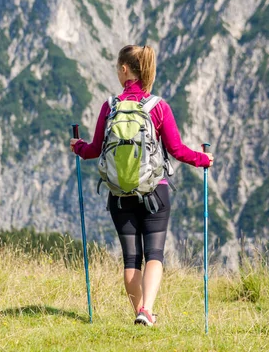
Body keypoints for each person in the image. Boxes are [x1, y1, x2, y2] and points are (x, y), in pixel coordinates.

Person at [69, 44, 214, 326]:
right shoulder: (157, 106)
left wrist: (78, 146)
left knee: (131, 259)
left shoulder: (109, 107)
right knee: (155, 254)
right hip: (154, 191)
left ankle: (140, 311)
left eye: (117, 67)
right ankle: (147, 310)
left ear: (124, 69)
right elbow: (176, 149)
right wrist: (203, 159)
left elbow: (95, 149)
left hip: (119, 195)